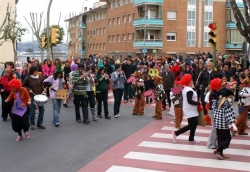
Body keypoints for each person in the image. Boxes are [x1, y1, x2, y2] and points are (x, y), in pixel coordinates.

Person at [172, 74, 201, 143]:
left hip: (190, 108)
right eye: (191, 80)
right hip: (190, 109)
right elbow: (190, 100)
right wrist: (198, 103)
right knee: (191, 125)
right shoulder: (189, 90)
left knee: (195, 123)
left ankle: (191, 138)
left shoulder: (185, 88)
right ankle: (176, 133)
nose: (192, 82)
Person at [211, 88, 237, 160]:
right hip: (224, 125)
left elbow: (213, 111)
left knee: (220, 139)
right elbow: (229, 115)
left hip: (218, 124)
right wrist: (232, 123)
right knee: (227, 139)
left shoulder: (215, 102)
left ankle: (221, 153)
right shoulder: (227, 104)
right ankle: (218, 151)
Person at [22, 66, 46, 130]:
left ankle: (39, 123)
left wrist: (43, 89)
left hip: (39, 96)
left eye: (37, 71)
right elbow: (23, 86)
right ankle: (32, 124)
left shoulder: (39, 77)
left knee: (42, 109)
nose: (36, 72)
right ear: (32, 71)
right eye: (35, 71)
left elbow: (41, 85)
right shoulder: (28, 78)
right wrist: (29, 89)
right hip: (32, 96)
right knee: (32, 110)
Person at [206, 78, 221, 149]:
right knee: (214, 128)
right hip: (213, 112)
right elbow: (215, 104)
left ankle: (215, 142)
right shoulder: (213, 94)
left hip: (214, 111)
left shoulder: (215, 93)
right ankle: (210, 144)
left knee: (216, 128)